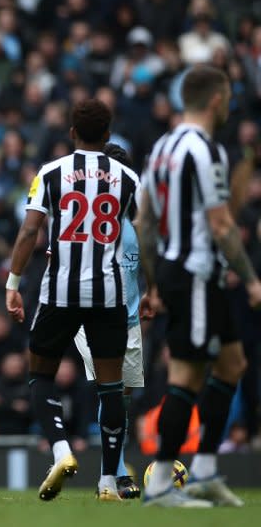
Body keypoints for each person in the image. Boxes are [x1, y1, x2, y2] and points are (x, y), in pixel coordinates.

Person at [138, 65, 261, 508]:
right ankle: (160, 486)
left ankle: (205, 471)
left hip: (179, 271)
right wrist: (251, 279)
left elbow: (143, 221)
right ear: (215, 100)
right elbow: (222, 222)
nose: (229, 105)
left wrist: (152, 282)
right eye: (227, 97)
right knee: (186, 376)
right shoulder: (206, 151)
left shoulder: (161, 148)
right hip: (195, 273)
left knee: (233, 364)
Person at [6, 99, 140, 502]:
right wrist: (151, 294)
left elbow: (30, 232)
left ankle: (61, 451)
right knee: (111, 387)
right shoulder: (129, 178)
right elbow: (144, 234)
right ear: (108, 134)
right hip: (109, 294)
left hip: (60, 292)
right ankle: (107, 483)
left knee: (40, 375)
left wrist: (13, 281)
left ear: (71, 132)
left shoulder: (50, 173)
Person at [72, 142, 150, 499]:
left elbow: (142, 267)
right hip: (91, 317)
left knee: (125, 396)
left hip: (129, 318)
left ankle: (114, 469)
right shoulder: (85, 220)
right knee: (112, 388)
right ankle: (115, 474)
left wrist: (153, 293)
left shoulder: (136, 222)